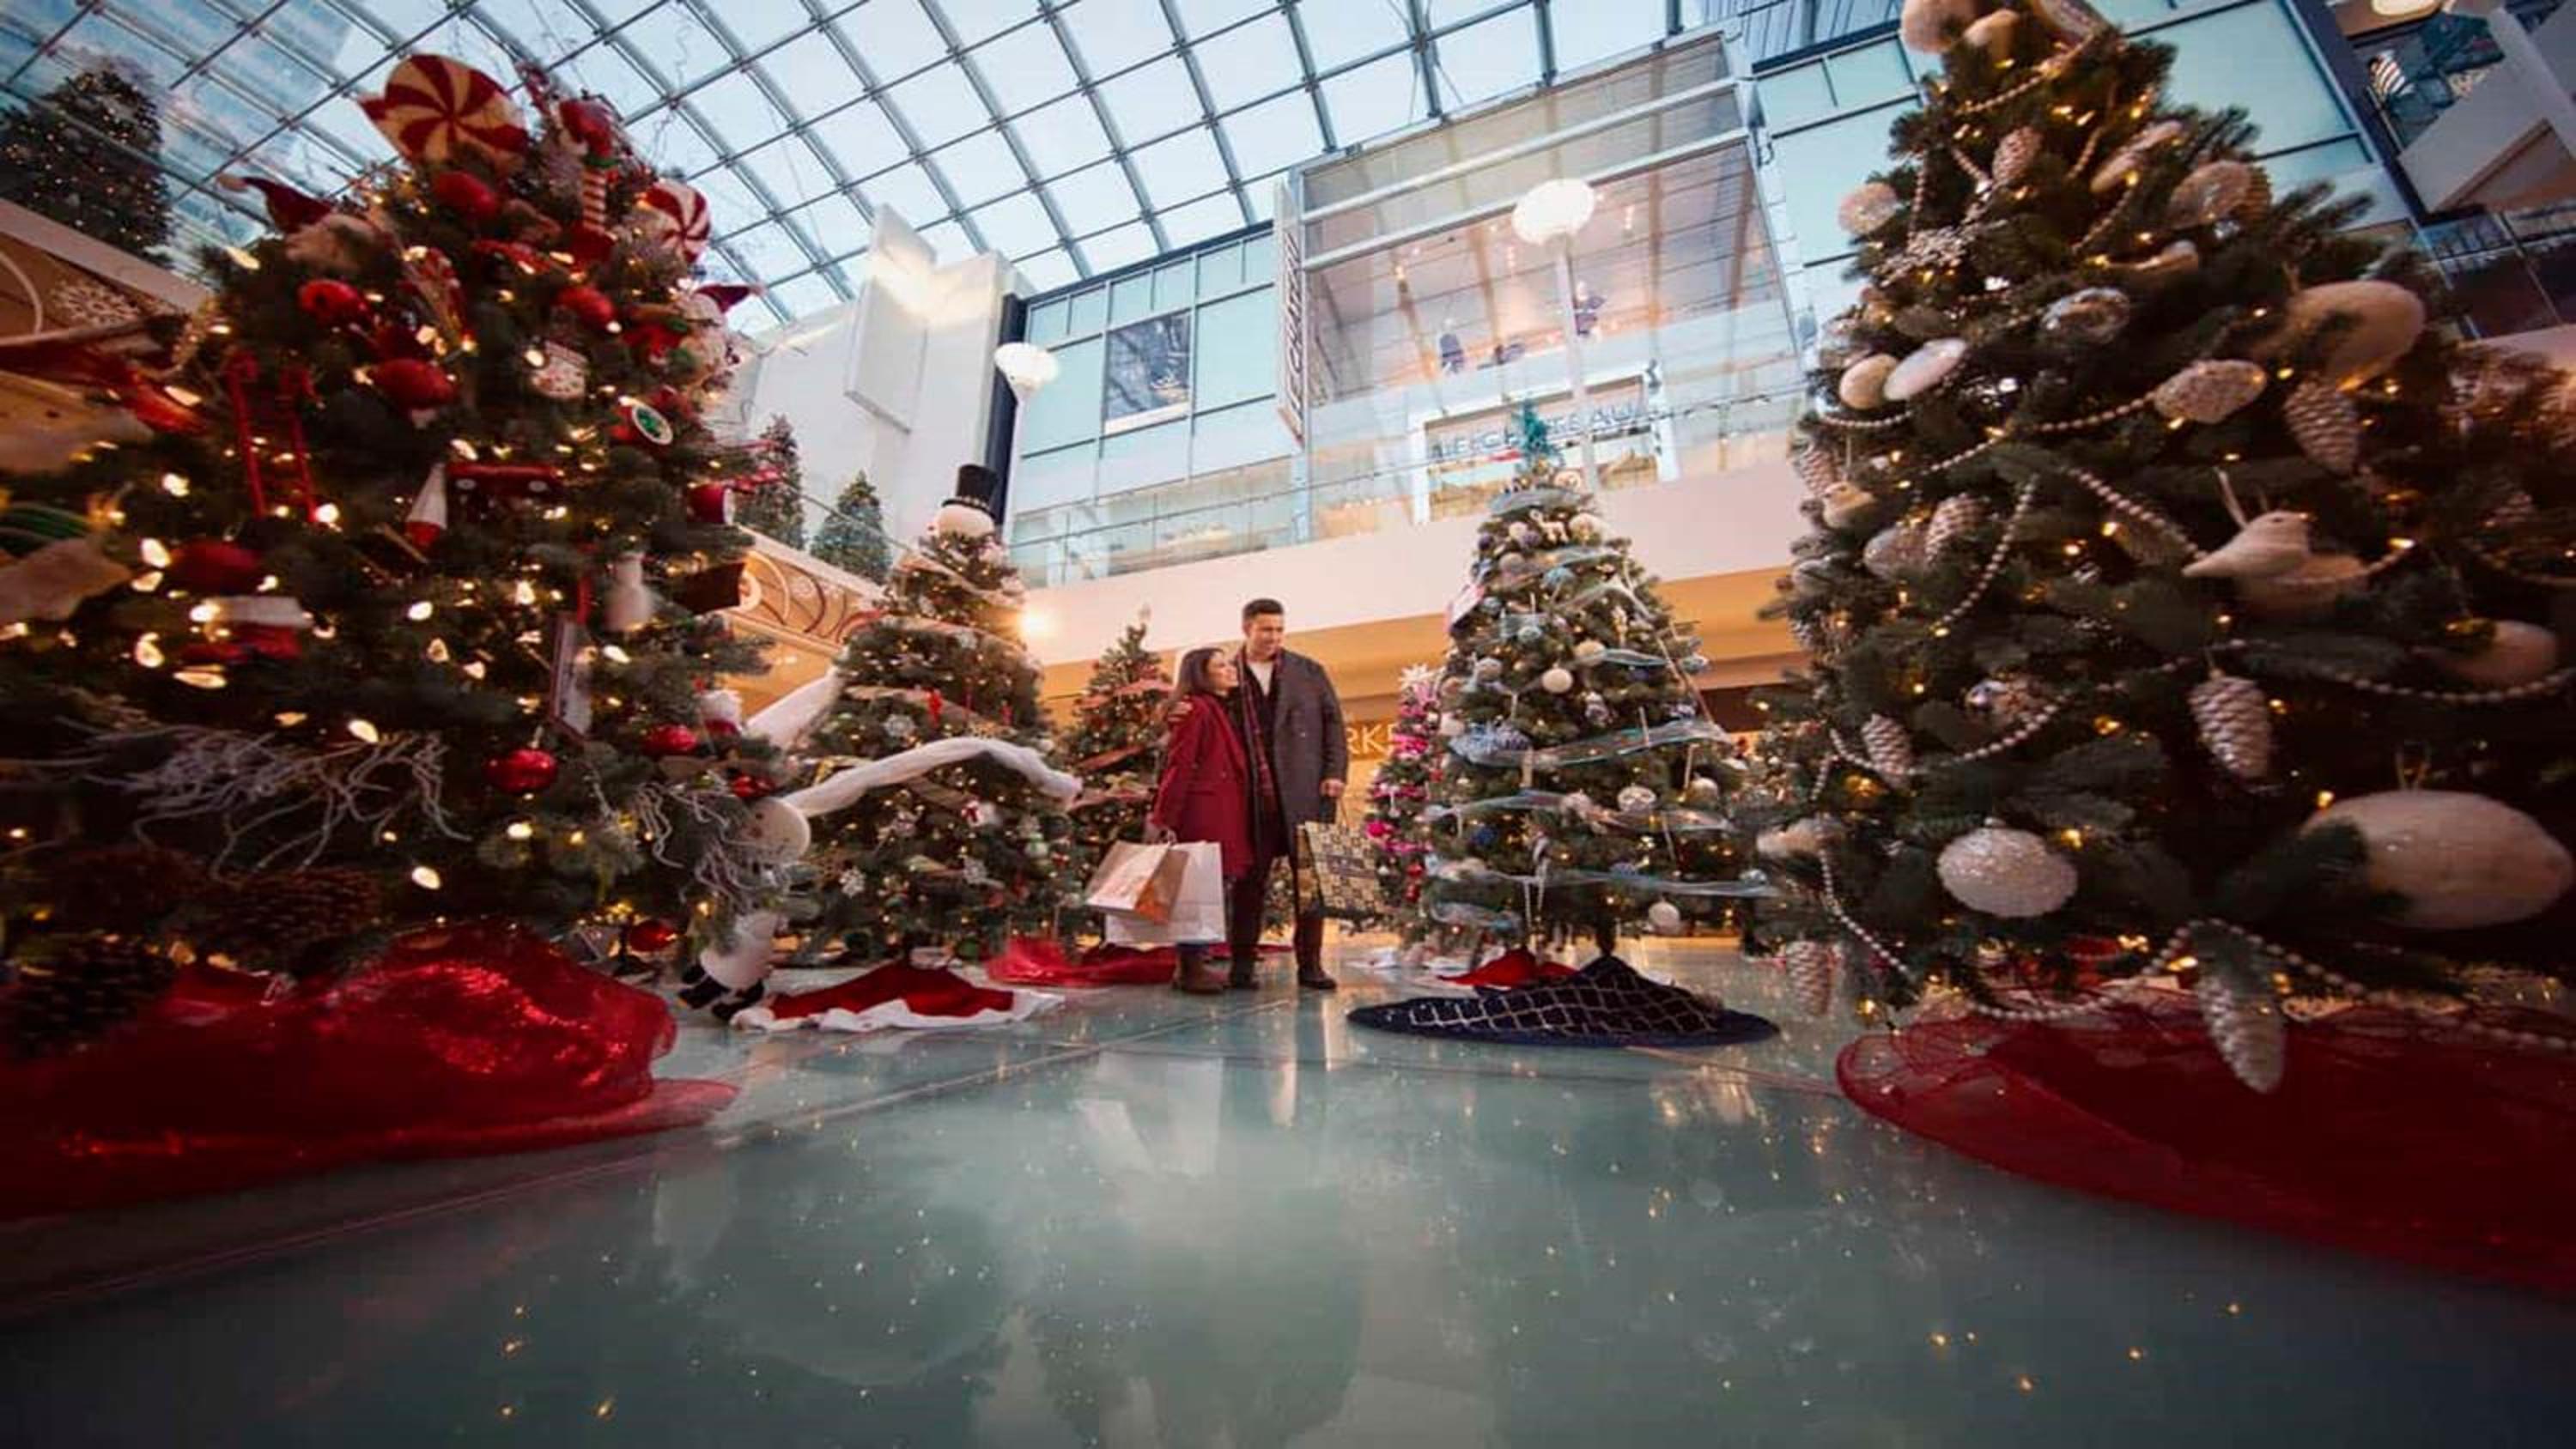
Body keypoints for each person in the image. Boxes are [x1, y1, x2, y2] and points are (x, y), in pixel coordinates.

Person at [1230, 598, 1346, 991]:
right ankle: (1241, 965)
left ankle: (1310, 965)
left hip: (1306, 788)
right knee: (1248, 884)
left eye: (1279, 629)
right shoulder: (1227, 673)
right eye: (1266, 629)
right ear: (1247, 628)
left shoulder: (1309, 671)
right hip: (1251, 795)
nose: (1274, 637)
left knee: (1311, 882)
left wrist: (1335, 772)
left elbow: (1333, 724)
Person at [1147, 647, 1253, 994]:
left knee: (1210, 886)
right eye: (1220, 666)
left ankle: (1192, 965)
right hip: (1202, 813)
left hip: (1219, 810)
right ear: (1201, 675)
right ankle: (1191, 967)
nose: (1230, 669)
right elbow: (1180, 765)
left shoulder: (1216, 708)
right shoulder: (1196, 710)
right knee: (1198, 888)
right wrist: (1164, 816)